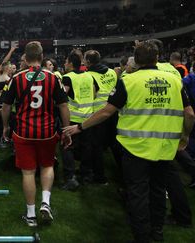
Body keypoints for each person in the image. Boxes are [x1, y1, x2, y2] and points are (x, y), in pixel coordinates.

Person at [64, 41, 195, 242]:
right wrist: (185, 136)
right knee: (158, 191)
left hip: (135, 148)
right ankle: (157, 233)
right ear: (157, 58)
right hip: (165, 148)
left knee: (138, 193)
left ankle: (141, 236)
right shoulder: (174, 80)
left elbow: (107, 111)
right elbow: (189, 114)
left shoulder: (128, 80)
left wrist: (80, 127)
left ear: (136, 60)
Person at [1, 41, 71, 227]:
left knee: (28, 172)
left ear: (25, 57)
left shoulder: (16, 78)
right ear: (41, 57)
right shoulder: (53, 77)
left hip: (23, 132)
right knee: (47, 166)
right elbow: (63, 105)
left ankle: (31, 214)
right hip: (47, 131)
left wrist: (5, 126)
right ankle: (45, 202)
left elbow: (6, 106)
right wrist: (66, 129)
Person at [60, 49, 97, 190]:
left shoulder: (68, 77)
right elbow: (94, 93)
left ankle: (70, 178)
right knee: (87, 147)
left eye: (65, 61)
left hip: (74, 118)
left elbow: (63, 96)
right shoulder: (89, 76)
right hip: (88, 118)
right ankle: (86, 174)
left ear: (70, 63)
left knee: (67, 146)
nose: (64, 64)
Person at [85, 50, 119, 184]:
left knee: (97, 146)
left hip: (99, 114)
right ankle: (122, 173)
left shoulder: (89, 75)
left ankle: (99, 176)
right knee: (114, 144)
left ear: (88, 61)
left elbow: (92, 95)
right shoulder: (112, 72)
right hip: (113, 111)